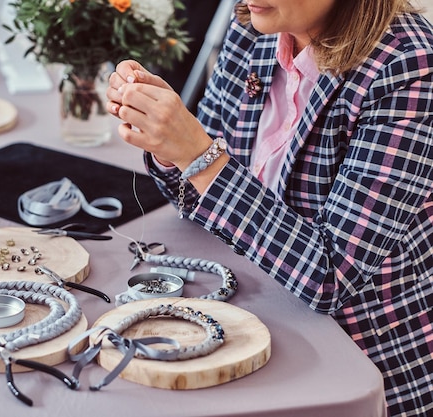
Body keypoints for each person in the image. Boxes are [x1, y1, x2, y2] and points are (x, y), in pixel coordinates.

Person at [106, 1, 433, 416]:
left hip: (358, 358)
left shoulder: (409, 65)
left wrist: (198, 154)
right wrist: (170, 149)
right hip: (248, 311)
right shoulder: (254, 26)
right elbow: (196, 202)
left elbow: (330, 275)